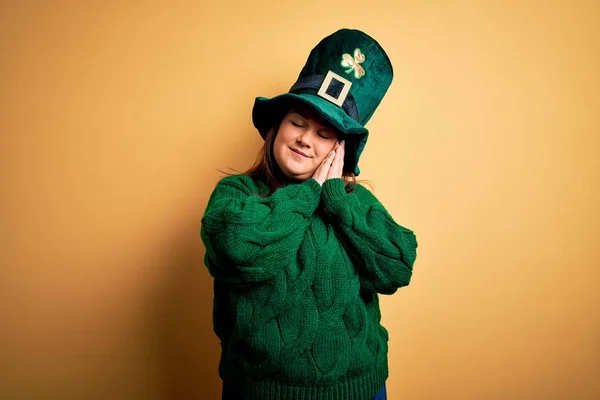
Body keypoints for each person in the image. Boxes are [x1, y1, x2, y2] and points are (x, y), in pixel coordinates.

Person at [200, 28, 418, 400]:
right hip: (260, 391)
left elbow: (397, 266)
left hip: (359, 390)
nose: (305, 139)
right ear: (277, 126)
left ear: (339, 151)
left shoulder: (353, 202)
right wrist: (310, 192)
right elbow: (240, 252)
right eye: (297, 123)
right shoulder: (236, 195)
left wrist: (335, 199)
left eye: (323, 134)